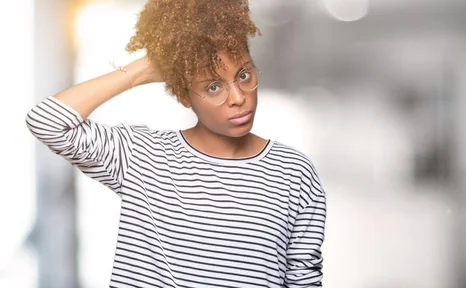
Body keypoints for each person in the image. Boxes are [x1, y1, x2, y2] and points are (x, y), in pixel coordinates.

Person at [25, 0, 326, 287]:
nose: (238, 98)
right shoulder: (142, 155)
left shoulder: (293, 172)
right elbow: (47, 121)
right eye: (213, 86)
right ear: (184, 96)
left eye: (244, 75)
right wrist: (146, 67)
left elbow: (304, 280)